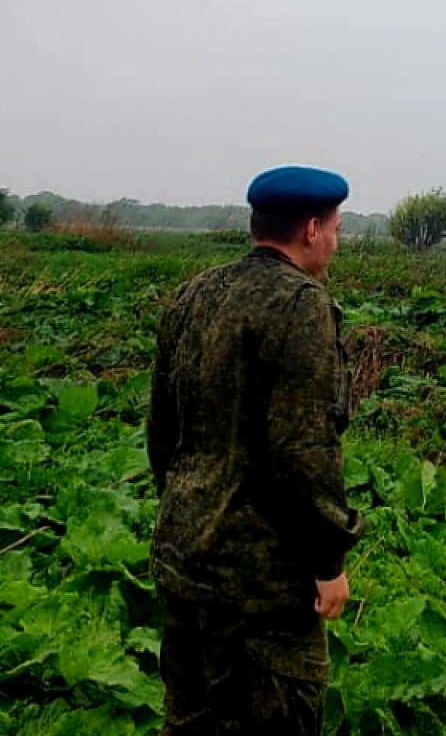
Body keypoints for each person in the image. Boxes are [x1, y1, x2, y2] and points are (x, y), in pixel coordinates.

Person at [148, 165, 367, 734]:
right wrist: (328, 562)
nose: (337, 245)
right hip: (259, 590)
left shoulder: (194, 294)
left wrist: (187, 511)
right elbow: (304, 451)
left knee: (188, 721)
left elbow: (162, 433)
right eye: (337, 230)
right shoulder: (302, 306)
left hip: (180, 555)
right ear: (312, 229)